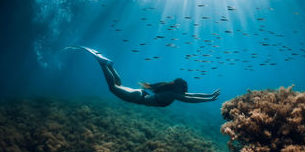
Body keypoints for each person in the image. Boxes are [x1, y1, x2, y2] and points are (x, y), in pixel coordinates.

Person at [63, 46, 220, 107]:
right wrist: (210, 99)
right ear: (179, 88)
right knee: (113, 87)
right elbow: (190, 99)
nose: (186, 91)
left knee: (118, 84)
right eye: (184, 89)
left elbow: (192, 95)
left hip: (139, 94)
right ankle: (103, 64)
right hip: (138, 98)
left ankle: (110, 65)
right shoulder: (174, 94)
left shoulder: (172, 90)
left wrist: (210, 95)